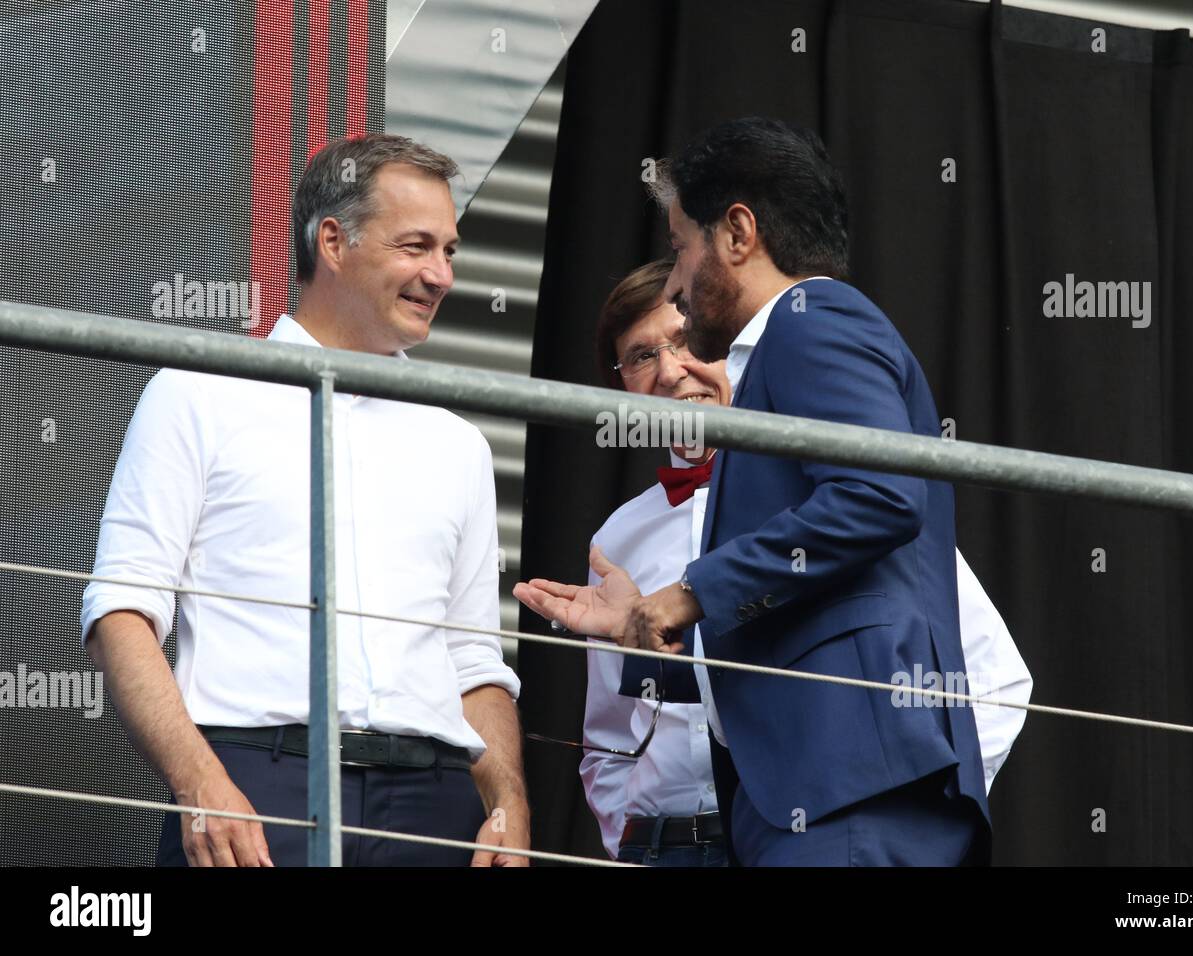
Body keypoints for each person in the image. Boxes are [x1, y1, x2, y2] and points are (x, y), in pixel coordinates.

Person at [515, 117, 989, 866]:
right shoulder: (790, 350)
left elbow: (879, 496)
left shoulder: (809, 321)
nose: (674, 281)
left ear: (737, 233)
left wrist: (687, 593)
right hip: (805, 797)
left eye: (680, 249)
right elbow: (810, 596)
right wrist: (648, 625)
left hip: (848, 788)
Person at [81, 133, 529, 867]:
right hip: (258, 786)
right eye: (417, 245)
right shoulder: (199, 393)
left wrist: (508, 810)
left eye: (450, 250)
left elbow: (473, 661)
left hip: (434, 804)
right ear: (333, 241)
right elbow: (121, 609)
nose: (441, 274)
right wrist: (201, 783)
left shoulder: (459, 441)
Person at [576, 260, 1032, 865]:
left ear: (726, 347)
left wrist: (921, 807)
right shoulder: (617, 536)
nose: (669, 371)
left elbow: (996, 678)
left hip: (804, 837)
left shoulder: (828, 497)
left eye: (685, 342)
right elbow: (607, 738)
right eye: (640, 356)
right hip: (668, 849)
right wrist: (630, 842)